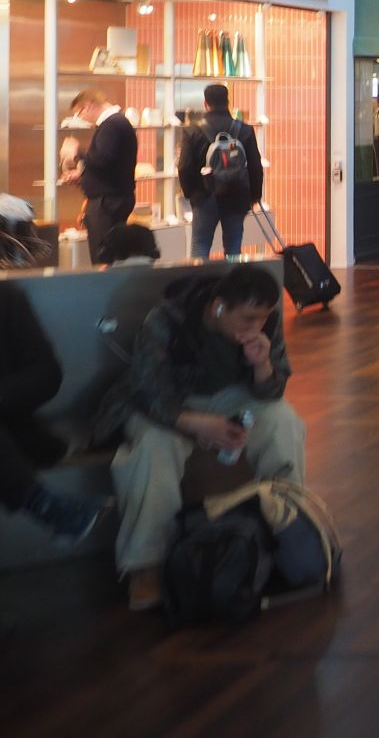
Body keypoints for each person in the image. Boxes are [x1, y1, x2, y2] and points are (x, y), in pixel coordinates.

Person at [97, 264, 307, 611]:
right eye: (248, 319)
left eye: (262, 318)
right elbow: (149, 392)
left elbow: (271, 392)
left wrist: (261, 366)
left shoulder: (264, 323)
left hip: (227, 395)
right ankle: (146, 564)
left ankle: (290, 531)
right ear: (219, 307)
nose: (256, 326)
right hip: (166, 403)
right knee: (153, 447)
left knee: (283, 422)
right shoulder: (166, 320)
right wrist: (197, 423)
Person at [0, 284, 106, 546]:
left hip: (15, 437)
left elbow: (48, 375)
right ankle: (45, 505)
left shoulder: (6, 299)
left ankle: (47, 506)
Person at [178, 84, 264, 261]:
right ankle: (232, 286)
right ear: (228, 102)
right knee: (233, 248)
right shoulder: (245, 130)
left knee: (200, 245)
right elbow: (255, 166)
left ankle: (200, 286)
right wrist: (254, 195)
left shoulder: (192, 130)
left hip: (205, 198)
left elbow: (184, 167)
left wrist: (191, 194)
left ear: (205, 104)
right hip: (236, 196)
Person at [61, 91, 138, 264]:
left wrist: (77, 152)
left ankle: (106, 289)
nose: (81, 118)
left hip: (107, 202)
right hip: (114, 198)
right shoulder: (116, 123)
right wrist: (82, 176)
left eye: (79, 113)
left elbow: (103, 159)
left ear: (88, 106)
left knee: (103, 257)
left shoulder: (112, 125)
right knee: (110, 255)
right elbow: (110, 166)